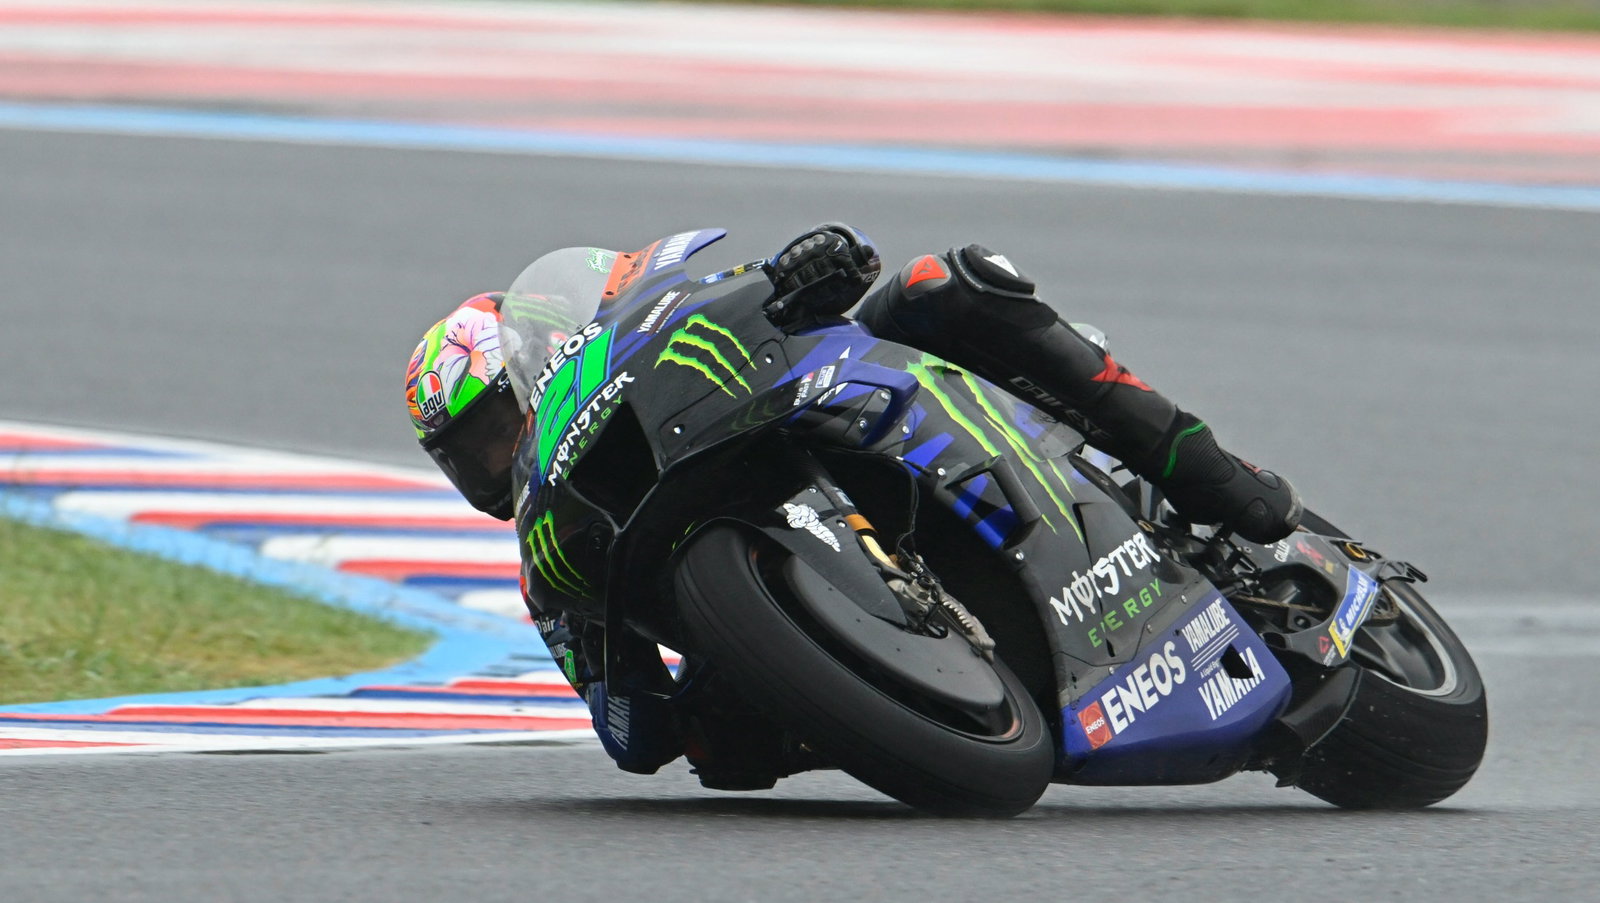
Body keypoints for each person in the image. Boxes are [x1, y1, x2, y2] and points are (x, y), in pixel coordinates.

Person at [403, 225, 1302, 781]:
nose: (492, 459)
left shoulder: (652, 334)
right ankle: (910, 683)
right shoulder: (552, 565)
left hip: (835, 401)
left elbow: (809, 279)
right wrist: (702, 687)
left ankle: (1212, 473)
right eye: (469, 458)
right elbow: (633, 737)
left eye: (493, 427)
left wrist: (810, 268)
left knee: (944, 283)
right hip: (867, 681)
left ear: (538, 355)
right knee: (728, 759)